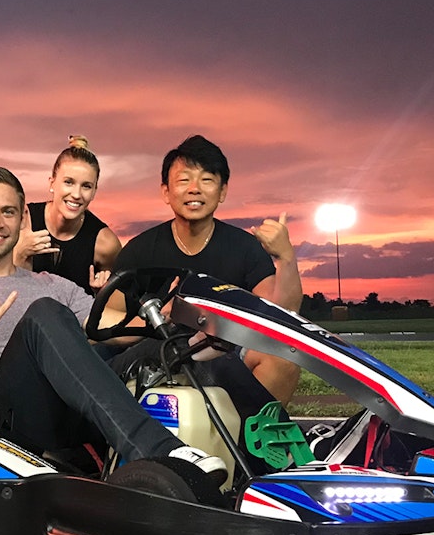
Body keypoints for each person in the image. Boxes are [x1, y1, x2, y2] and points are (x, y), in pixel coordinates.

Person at [0, 166, 226, 478]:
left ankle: (257, 463)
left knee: (182, 340)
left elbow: (113, 330)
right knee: (45, 313)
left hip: (75, 408)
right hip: (9, 418)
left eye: (8, 212)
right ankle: (161, 451)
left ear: (23, 218)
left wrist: (172, 321)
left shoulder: (52, 284)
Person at [111, 134, 302, 407]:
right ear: (166, 191)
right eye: (184, 179)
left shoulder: (245, 247)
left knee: (282, 357)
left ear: (222, 191)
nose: (195, 189)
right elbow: (106, 321)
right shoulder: (140, 250)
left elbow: (279, 318)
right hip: (156, 354)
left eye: (207, 179)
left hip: (222, 355)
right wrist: (156, 322)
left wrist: (286, 257)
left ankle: (252, 444)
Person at [14, 135, 122, 295]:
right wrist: (20, 255)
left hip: (76, 319)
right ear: (52, 183)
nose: (76, 194)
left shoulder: (106, 243)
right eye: (68, 182)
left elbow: (120, 306)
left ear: (94, 192)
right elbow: (1, 287)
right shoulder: (23, 220)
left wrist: (101, 294)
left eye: (86, 186)